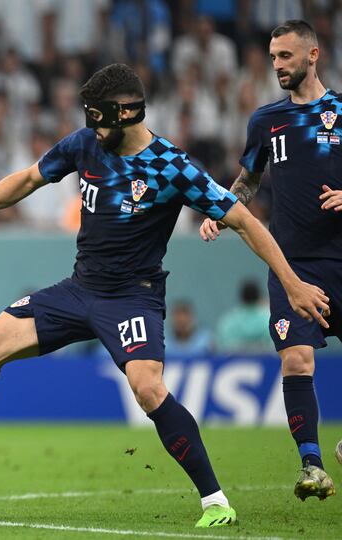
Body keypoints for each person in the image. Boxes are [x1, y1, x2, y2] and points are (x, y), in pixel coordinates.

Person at [0, 63, 331, 528]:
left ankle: (215, 501)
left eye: (100, 118)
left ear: (127, 113)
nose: (93, 127)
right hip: (79, 289)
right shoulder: (85, 144)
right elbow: (30, 178)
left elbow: (246, 222)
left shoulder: (173, 166)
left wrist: (292, 283)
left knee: (149, 390)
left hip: (133, 298)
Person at [199, 20, 339, 501]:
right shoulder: (265, 121)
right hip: (291, 265)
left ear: (313, 55)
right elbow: (249, 180)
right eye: (273, 56)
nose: (277, 65)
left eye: (286, 56)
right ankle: (312, 465)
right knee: (297, 361)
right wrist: (222, 209)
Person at [214, 280, 271, 353]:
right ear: (259, 297)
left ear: (241, 297)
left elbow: (221, 346)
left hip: (233, 362)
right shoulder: (268, 319)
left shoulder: (228, 321)